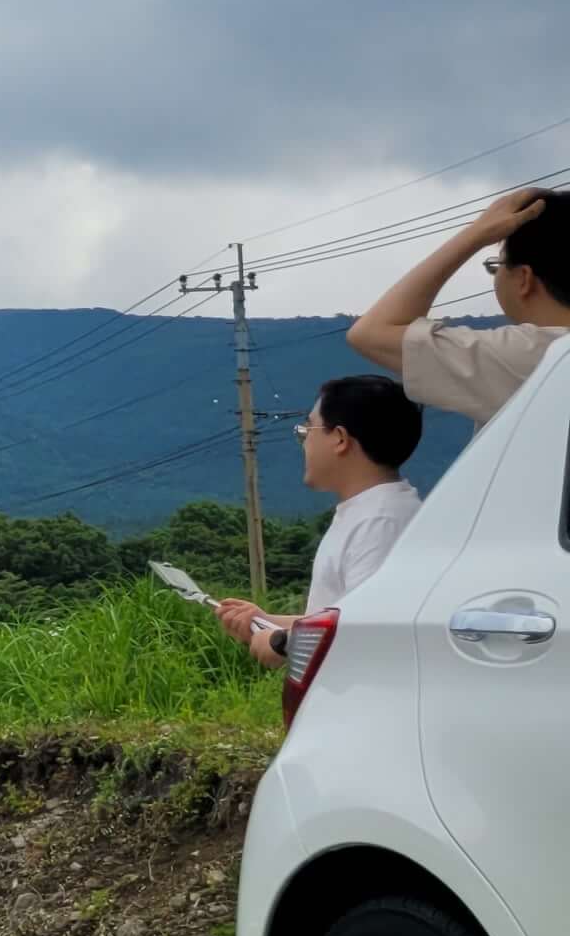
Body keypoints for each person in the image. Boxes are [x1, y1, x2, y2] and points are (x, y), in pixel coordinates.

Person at [214, 373, 425, 668]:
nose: (304, 442)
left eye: (307, 430)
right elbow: (338, 616)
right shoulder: (370, 510)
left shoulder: (382, 522)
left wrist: (282, 644)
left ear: (340, 439)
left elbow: (369, 632)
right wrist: (265, 621)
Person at [347, 186, 569, 422]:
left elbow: (370, 333)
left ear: (524, 278)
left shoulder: (534, 355)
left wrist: (476, 233)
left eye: (495, 266)